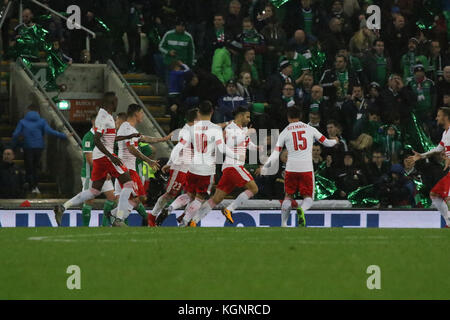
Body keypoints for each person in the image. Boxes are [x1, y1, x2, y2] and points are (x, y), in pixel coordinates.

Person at [54, 92, 134, 227]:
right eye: (116, 101)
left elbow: (108, 138)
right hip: (105, 157)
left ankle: (63, 207)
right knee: (128, 184)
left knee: (94, 191)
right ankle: (118, 219)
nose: (117, 104)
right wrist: (111, 157)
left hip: (101, 157)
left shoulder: (105, 115)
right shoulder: (104, 117)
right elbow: (97, 139)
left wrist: (128, 136)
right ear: (112, 102)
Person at [261, 107, 339, 227]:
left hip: (291, 168)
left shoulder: (285, 131)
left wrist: (266, 165)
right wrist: (335, 141)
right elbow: (327, 142)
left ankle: (283, 223)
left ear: (288, 117)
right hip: (306, 168)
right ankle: (301, 209)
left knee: (288, 196)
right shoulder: (310, 129)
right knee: (308, 197)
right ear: (301, 116)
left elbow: (276, 152)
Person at [167, 100, 242, 227]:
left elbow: (180, 146)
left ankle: (171, 207)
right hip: (207, 170)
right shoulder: (216, 128)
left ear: (199, 113)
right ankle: (185, 221)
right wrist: (236, 156)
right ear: (212, 112)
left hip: (192, 168)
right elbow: (222, 148)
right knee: (200, 197)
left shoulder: (191, 128)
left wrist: (171, 161)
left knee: (189, 194)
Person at [190, 107, 260, 225]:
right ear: (240, 116)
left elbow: (246, 143)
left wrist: (256, 147)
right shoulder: (230, 128)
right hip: (234, 166)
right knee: (254, 189)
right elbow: (231, 144)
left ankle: (193, 221)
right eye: (247, 117)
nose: (249, 119)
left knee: (216, 199)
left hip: (230, 168)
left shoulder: (242, 129)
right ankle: (229, 209)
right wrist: (246, 133)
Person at [110, 104, 161, 225]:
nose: (143, 115)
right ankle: (119, 218)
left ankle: (114, 214)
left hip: (132, 170)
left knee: (140, 198)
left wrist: (163, 139)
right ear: (136, 113)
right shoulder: (127, 128)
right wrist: (148, 160)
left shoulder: (132, 131)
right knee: (129, 196)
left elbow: (145, 142)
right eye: (142, 112)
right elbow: (132, 147)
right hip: (127, 170)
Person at [150, 108, 199, 226]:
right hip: (181, 166)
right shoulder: (190, 132)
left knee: (193, 194)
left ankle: (183, 217)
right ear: (196, 119)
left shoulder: (186, 130)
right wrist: (171, 163)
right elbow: (178, 148)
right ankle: (152, 216)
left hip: (189, 166)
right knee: (170, 194)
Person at [11, 104, 70, 194]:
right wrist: (64, 135)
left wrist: (13, 146)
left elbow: (15, 134)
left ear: (28, 111)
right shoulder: (41, 121)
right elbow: (50, 131)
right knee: (35, 167)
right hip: (39, 147)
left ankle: (30, 185)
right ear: (38, 111)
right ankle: (35, 186)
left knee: (29, 167)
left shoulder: (22, 122)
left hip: (27, 147)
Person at [408, 107, 450, 227]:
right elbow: (438, 149)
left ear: (445, 117)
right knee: (435, 195)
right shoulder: (446, 133)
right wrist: (421, 156)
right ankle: (448, 222)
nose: (436, 118)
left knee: (448, 198)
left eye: (439, 115)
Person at [80, 113, 116, 227]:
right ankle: (85, 227)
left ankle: (104, 226)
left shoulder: (103, 137)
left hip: (103, 173)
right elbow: (90, 159)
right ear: (93, 121)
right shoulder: (88, 137)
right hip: (89, 175)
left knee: (112, 197)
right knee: (89, 200)